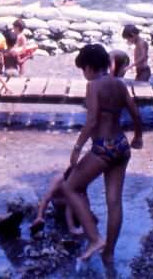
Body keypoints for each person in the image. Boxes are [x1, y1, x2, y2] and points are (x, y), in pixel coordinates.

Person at [60, 43, 144, 263]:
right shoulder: (119, 84)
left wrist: (77, 148)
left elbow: (92, 121)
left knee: (70, 187)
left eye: (83, 69)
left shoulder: (94, 86)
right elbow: (135, 112)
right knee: (114, 201)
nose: (84, 75)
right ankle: (109, 254)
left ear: (89, 67)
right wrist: (138, 136)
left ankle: (95, 238)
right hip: (121, 145)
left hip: (103, 147)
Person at [31, 167, 85, 236]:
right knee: (71, 200)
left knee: (77, 199)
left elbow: (84, 196)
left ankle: (73, 221)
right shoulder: (59, 181)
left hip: (67, 199)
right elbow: (46, 199)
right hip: (57, 200)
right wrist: (39, 216)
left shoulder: (80, 180)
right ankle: (71, 228)